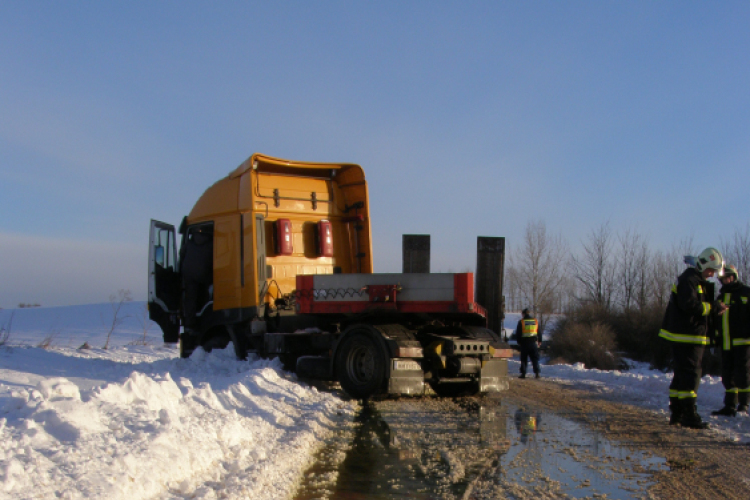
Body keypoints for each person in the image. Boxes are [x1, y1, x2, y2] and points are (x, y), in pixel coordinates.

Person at [659, 247, 728, 429]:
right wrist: (712, 307)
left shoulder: (693, 279)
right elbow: (689, 304)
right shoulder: (690, 280)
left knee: (681, 374)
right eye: (711, 270)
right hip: (688, 336)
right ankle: (689, 415)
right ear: (703, 264)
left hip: (687, 335)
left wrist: (712, 308)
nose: (712, 274)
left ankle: (677, 413)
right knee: (691, 375)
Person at [711, 264, 750, 417]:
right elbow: (715, 321)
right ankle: (729, 405)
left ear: (734, 277)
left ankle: (744, 404)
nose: (725, 281)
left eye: (728, 278)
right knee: (727, 375)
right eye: (723, 279)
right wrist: (715, 340)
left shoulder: (746, 293)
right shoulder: (720, 297)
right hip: (725, 343)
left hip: (743, 342)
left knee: (743, 374)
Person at [516, 308, 542, 379]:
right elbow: (539, 332)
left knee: (524, 359)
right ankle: (537, 373)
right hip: (533, 343)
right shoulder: (535, 321)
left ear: (523, 314)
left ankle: (523, 374)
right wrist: (540, 340)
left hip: (524, 343)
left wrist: (519, 342)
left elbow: (518, 333)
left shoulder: (521, 322)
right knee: (534, 358)